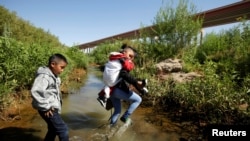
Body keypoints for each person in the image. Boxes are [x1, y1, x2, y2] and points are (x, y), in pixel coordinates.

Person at [106, 44, 148, 126]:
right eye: (130, 56)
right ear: (124, 52)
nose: (131, 58)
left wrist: (139, 88)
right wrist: (136, 82)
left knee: (117, 111)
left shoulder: (115, 60)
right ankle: (125, 116)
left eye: (133, 57)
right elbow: (124, 74)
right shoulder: (122, 61)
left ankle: (111, 127)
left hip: (110, 90)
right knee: (138, 100)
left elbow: (124, 77)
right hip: (116, 90)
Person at [31, 53, 69, 141]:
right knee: (63, 130)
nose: (62, 70)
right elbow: (36, 91)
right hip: (48, 109)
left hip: (50, 107)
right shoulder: (44, 76)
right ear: (53, 64)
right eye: (61, 67)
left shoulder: (53, 75)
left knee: (53, 130)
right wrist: (46, 107)